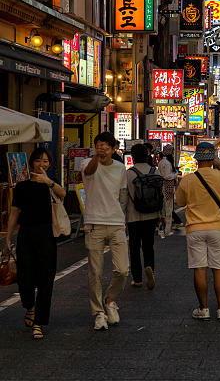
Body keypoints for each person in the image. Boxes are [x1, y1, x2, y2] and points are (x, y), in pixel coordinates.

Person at [5, 148, 65, 340]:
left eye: (46, 161)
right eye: (39, 160)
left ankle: (39, 322)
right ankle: (29, 306)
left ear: (50, 164)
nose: (42, 164)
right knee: (25, 277)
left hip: (47, 234)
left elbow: (63, 194)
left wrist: (48, 182)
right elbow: (15, 212)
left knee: (46, 279)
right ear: (32, 162)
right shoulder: (22, 186)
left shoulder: (51, 184)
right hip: (26, 235)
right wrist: (8, 235)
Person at [175, 141, 220, 320]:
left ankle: (203, 309)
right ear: (212, 158)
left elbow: (180, 202)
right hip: (217, 228)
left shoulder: (188, 180)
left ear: (196, 159)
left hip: (195, 228)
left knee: (199, 269)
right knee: (219, 268)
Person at [82, 131, 129, 330]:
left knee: (122, 270)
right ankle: (98, 312)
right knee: (96, 272)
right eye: (98, 145)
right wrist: (96, 156)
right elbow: (90, 172)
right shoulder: (87, 163)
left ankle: (110, 300)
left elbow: (121, 195)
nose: (102, 149)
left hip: (116, 222)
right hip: (94, 223)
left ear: (114, 149)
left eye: (106, 147)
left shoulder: (120, 168)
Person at [126, 143, 161, 290]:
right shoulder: (155, 172)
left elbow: (123, 197)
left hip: (133, 216)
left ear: (133, 157)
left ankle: (137, 278)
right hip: (152, 215)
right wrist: (162, 215)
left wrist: (122, 215)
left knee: (134, 246)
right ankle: (150, 269)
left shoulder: (129, 173)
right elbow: (161, 196)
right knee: (148, 245)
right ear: (147, 155)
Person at [158, 144, 179, 236]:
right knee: (168, 210)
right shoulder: (167, 163)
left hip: (164, 187)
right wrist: (175, 175)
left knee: (163, 211)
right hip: (167, 187)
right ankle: (167, 230)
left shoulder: (162, 162)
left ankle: (162, 230)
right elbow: (166, 176)